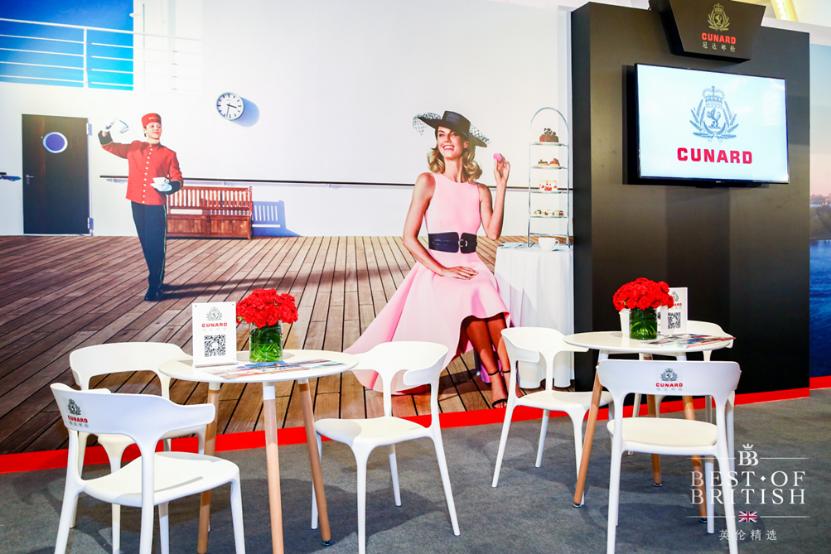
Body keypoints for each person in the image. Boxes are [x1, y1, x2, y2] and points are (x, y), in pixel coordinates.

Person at [347, 110, 513, 407]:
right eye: (440, 135)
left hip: (471, 262)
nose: (446, 140)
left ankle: (508, 377)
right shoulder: (428, 181)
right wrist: (442, 270)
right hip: (439, 267)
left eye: (453, 134)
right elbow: (408, 237)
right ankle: (496, 378)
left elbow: (493, 232)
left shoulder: (479, 189)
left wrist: (501, 186)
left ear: (466, 143)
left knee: (488, 299)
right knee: (471, 296)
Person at [99, 113, 182, 301]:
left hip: (156, 205)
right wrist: (106, 129)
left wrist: (169, 187)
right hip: (137, 203)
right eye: (152, 126)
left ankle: (154, 285)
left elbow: (178, 179)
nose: (156, 128)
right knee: (146, 243)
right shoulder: (134, 147)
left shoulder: (169, 154)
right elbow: (108, 145)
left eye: (158, 126)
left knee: (156, 245)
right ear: (145, 130)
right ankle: (157, 277)